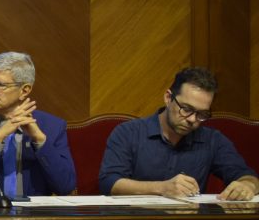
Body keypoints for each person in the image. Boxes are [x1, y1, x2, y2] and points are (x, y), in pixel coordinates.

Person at [99, 67, 258, 200]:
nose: (192, 119)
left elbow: (246, 175)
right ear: (168, 98)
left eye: (202, 114)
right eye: (187, 109)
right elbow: (109, 182)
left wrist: (247, 185)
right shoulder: (129, 132)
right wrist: (162, 188)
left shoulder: (213, 140)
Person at [0, 52, 75, 197]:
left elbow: (66, 187)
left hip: (36, 216)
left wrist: (40, 140)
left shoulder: (52, 126)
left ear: (24, 90)